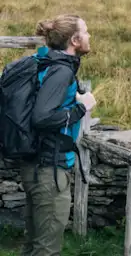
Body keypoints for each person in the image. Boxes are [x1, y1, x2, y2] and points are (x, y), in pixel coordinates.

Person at [19, 14, 97, 256]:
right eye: (85, 32)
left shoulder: (45, 62)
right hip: (49, 169)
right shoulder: (61, 71)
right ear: (74, 40)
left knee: (35, 244)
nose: (89, 36)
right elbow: (41, 117)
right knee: (46, 249)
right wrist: (82, 108)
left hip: (36, 164)